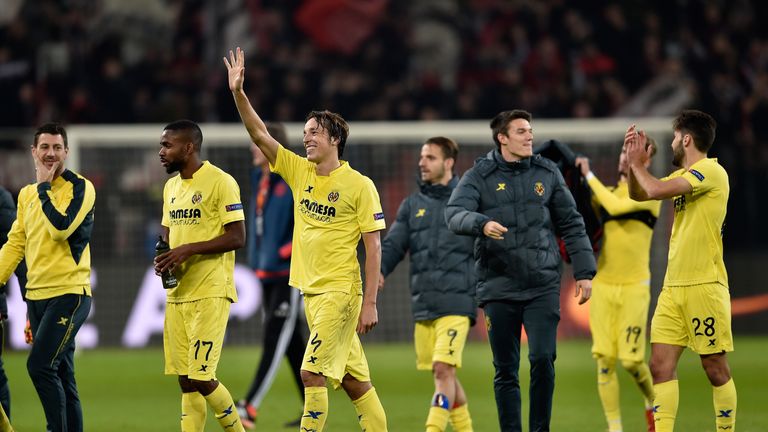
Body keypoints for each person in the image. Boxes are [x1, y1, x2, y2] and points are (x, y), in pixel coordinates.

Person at [225, 47, 388, 432]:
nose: (306, 139)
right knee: (355, 384)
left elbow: (373, 245)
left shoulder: (359, 186)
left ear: (334, 138)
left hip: (340, 294)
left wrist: (370, 304)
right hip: (312, 294)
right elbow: (259, 134)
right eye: (304, 134)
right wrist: (238, 93)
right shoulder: (301, 173)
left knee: (311, 373)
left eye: (313, 133)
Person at [445, 109, 597, 432]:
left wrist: (584, 271)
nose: (530, 136)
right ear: (502, 138)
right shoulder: (479, 176)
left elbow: (571, 222)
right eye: (521, 131)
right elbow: (454, 213)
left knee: (543, 359)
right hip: (498, 286)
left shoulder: (547, 173)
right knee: (506, 370)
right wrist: (481, 223)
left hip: (541, 284)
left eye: (530, 130)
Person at [624, 110, 737, 432]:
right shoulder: (685, 180)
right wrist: (637, 168)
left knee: (714, 367)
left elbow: (656, 191)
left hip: (705, 283)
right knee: (659, 367)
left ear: (686, 139)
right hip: (673, 288)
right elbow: (639, 193)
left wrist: (636, 164)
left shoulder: (711, 172)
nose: (672, 143)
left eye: (674, 137)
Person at [0, 122, 95, 432]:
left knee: (39, 366)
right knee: (64, 376)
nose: (50, 153)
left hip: (69, 294)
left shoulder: (80, 187)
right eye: (44, 147)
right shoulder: (26, 195)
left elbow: (61, 228)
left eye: (56, 147)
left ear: (66, 151)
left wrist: (43, 187)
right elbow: (15, 244)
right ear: (33, 152)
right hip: (36, 298)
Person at [154, 120, 247, 432]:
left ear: (188, 147)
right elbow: (166, 237)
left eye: (168, 145)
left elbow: (237, 237)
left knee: (202, 376)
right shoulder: (171, 188)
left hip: (210, 291)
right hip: (178, 294)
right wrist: (164, 257)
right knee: (185, 379)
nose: (161, 152)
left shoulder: (221, 182)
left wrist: (188, 250)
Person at [379, 137, 476, 432]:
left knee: (443, 369)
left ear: (448, 163)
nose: (422, 162)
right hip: (425, 304)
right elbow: (394, 244)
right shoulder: (412, 205)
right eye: (422, 157)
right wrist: (379, 270)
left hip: (458, 302)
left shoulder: (468, 200)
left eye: (430, 157)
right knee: (446, 377)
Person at [575, 139, 661, 432]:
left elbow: (614, 205)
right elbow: (580, 208)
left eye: (633, 153)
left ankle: (653, 402)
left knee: (632, 362)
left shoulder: (650, 194)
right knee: (604, 360)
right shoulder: (607, 192)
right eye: (624, 152)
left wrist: (588, 175)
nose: (625, 157)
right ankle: (615, 428)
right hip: (604, 285)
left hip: (635, 286)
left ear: (646, 160)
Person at [236, 122, 306, 429]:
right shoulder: (259, 178)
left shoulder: (292, 179)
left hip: (288, 274)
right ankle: (313, 408)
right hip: (265, 271)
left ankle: (249, 406)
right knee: (291, 344)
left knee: (274, 337)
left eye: (257, 141)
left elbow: (306, 220)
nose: (253, 147)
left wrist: (286, 250)